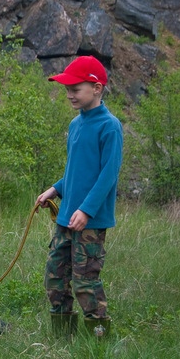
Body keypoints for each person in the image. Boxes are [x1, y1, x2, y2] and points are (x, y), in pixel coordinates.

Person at [36, 56, 123, 338]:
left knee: (85, 280)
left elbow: (107, 175)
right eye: (67, 89)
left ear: (97, 88)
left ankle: (99, 339)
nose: (70, 94)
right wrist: (55, 189)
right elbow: (76, 171)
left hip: (90, 221)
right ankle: (63, 338)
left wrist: (86, 211)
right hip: (65, 216)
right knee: (55, 277)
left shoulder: (109, 126)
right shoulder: (75, 125)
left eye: (76, 88)